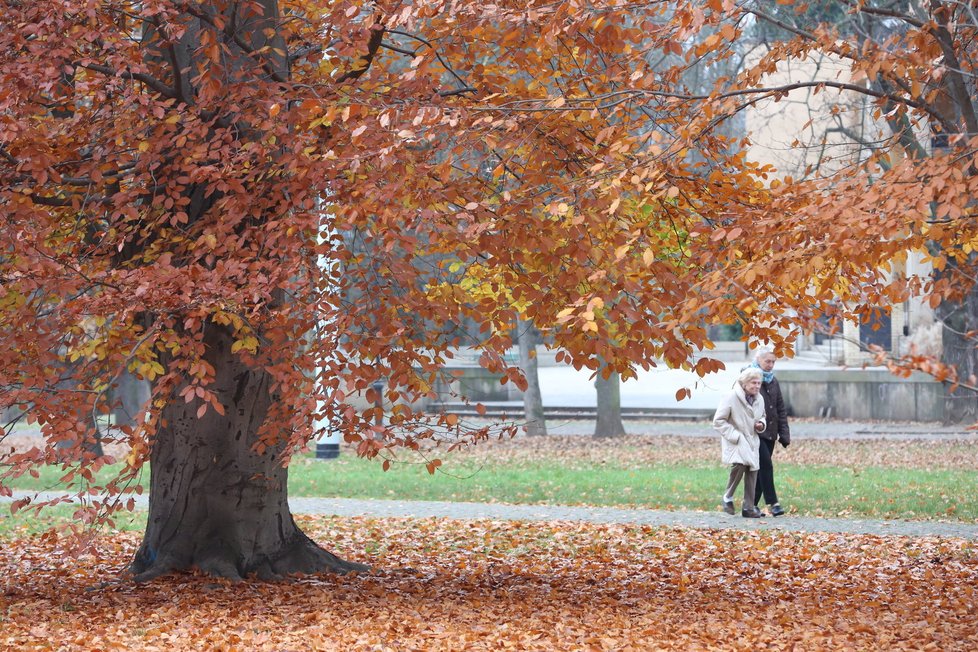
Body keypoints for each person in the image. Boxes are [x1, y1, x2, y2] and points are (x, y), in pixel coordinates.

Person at [714, 367, 766, 518]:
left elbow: (762, 416)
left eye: (759, 383)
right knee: (740, 465)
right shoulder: (730, 397)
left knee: (753, 471)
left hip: (752, 439)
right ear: (744, 383)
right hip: (736, 439)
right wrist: (735, 436)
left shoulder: (759, 399)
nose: (757, 386)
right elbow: (718, 421)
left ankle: (748, 508)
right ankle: (727, 496)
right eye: (753, 383)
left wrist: (761, 425)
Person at [751, 347, 790, 517]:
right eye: (767, 361)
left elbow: (780, 408)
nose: (771, 365)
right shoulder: (749, 379)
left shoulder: (773, 381)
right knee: (766, 465)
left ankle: (750, 505)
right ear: (758, 359)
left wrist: (784, 433)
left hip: (771, 433)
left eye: (773, 361)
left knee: (760, 469)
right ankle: (773, 503)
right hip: (754, 433)